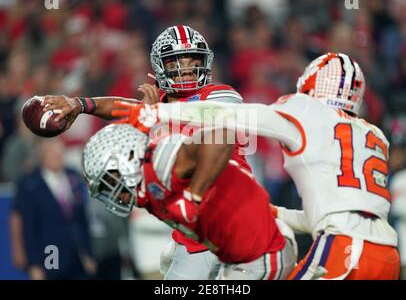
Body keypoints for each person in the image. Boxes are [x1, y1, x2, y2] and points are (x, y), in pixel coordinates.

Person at [115, 52, 400, 280]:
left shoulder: (306, 108)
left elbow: (230, 115)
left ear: (311, 86)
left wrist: (159, 111)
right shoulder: (374, 135)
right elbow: (337, 212)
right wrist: (278, 213)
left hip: (345, 250)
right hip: (388, 256)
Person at [41, 25, 250, 279]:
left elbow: (200, 130)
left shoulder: (220, 95)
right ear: (161, 68)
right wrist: (81, 104)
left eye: (192, 60)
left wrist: (153, 116)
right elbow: (125, 109)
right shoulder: (160, 107)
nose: (186, 69)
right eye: (176, 63)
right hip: (194, 229)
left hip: (228, 215)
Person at [81, 123, 297, 280]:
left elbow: (220, 136)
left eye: (110, 180)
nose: (112, 193)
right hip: (235, 254)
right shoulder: (144, 188)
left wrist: (194, 196)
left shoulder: (161, 161)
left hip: (259, 255)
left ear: (127, 160)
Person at [14, 138, 96, 280]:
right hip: (51, 252)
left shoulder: (73, 176)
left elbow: (82, 219)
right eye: (51, 152)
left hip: (75, 254)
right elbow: (28, 226)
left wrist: (88, 253)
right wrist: (34, 264)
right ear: (42, 155)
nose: (56, 155)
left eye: (58, 151)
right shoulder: (30, 183)